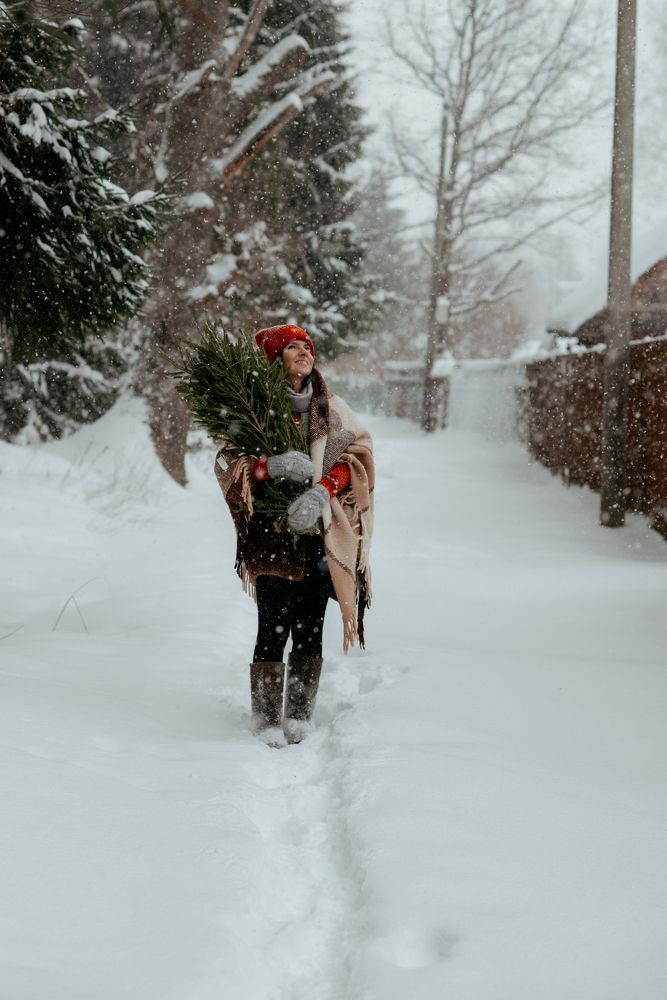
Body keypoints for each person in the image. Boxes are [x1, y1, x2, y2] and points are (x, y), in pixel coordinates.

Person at [214, 324, 374, 746]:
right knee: (272, 623)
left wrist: (322, 490)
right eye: (292, 347)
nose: (303, 352)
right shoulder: (252, 408)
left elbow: (358, 455)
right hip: (270, 535)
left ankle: (300, 715)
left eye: (307, 346)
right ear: (274, 359)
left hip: (317, 535)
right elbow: (229, 464)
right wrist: (273, 467)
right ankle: (266, 717)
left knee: (309, 623)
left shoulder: (331, 408)